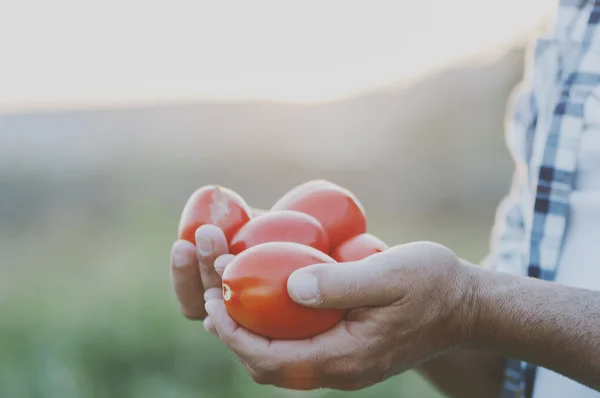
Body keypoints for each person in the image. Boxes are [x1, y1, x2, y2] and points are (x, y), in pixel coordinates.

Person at [169, 1, 600, 397]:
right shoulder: (570, 24)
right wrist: (433, 323)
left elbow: (493, 311)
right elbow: (513, 376)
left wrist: (470, 306)